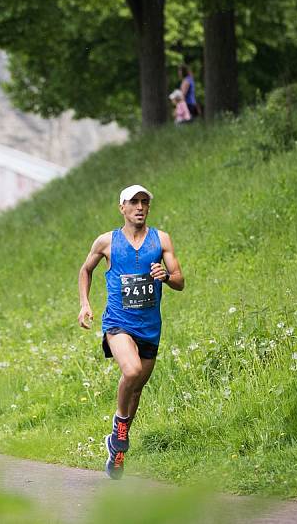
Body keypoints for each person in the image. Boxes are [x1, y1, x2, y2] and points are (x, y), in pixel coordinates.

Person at [77, 184, 185, 479]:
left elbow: (180, 280)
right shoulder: (106, 242)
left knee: (136, 388)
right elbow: (85, 270)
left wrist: (166, 276)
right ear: (122, 207)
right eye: (133, 202)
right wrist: (85, 304)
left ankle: (117, 449)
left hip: (150, 327)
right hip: (118, 323)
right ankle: (119, 428)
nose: (139, 207)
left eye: (144, 202)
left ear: (148, 208)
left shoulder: (161, 240)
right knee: (132, 370)